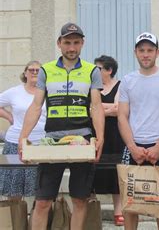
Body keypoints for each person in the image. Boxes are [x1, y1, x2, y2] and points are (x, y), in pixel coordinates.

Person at [18, 22, 105, 230]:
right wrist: (23, 138)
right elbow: (36, 106)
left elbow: (96, 106)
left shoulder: (92, 70)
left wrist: (100, 138)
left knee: (80, 200)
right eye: (67, 42)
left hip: (82, 140)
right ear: (59, 43)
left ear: (82, 43)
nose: (72, 47)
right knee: (42, 202)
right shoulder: (46, 70)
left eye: (76, 42)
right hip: (52, 142)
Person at [118, 32, 159, 230]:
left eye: (150, 50)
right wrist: (132, 146)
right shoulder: (127, 80)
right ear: (135, 52)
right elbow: (122, 116)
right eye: (142, 50)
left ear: (157, 52)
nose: (146, 54)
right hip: (133, 146)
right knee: (130, 201)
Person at [0, 61, 46, 200]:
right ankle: (15, 220)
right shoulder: (14, 92)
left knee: (41, 189)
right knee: (14, 189)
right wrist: (9, 116)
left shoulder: (47, 92)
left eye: (38, 70)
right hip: (15, 143)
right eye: (31, 70)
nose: (34, 72)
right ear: (25, 73)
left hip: (41, 143)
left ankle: (35, 220)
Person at [91, 55, 125, 226]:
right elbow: (87, 108)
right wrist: (107, 108)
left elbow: (120, 109)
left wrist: (97, 109)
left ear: (109, 70)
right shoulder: (93, 87)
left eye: (98, 68)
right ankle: (92, 210)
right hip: (95, 133)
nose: (95, 71)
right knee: (92, 171)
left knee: (115, 172)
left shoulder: (120, 86)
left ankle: (118, 211)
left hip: (114, 134)